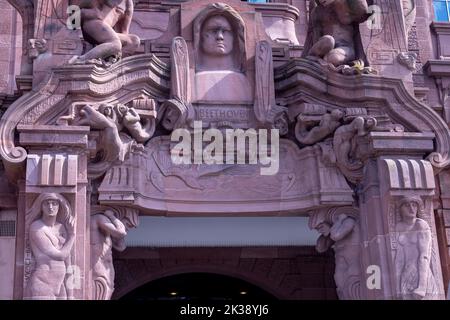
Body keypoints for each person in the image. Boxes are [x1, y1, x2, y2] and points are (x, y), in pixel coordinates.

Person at [192, 4, 252, 102]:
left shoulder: (244, 81)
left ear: (235, 37)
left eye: (226, 31)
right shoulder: (191, 82)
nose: (220, 37)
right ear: (200, 36)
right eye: (213, 31)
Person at [27, 193, 75, 300]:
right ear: (41, 206)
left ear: (60, 206)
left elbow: (69, 263)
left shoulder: (62, 227)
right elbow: (60, 256)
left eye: (54, 203)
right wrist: (72, 236)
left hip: (60, 286)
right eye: (46, 204)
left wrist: (71, 295)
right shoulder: (37, 227)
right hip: (43, 284)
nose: (50, 207)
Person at [303, 0, 371, 67]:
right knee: (328, 41)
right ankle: (315, 58)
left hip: (345, 48)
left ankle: (324, 60)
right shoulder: (317, 12)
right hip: (325, 44)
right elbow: (316, 37)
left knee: (333, 57)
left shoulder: (348, 6)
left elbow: (363, 11)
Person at [394, 196, 438, 299]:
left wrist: (422, 287)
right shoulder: (399, 227)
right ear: (400, 209)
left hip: (421, 274)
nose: (411, 208)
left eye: (414, 205)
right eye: (407, 205)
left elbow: (424, 256)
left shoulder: (421, 225)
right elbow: (399, 259)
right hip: (406, 274)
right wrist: (397, 286)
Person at [70, 0, 140, 64]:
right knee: (115, 44)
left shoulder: (128, 3)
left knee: (134, 40)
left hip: (107, 33)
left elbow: (124, 31)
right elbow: (77, 9)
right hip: (93, 23)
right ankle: (80, 60)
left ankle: (111, 64)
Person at [91, 210, 127, 300]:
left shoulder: (104, 232)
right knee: (102, 291)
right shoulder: (99, 218)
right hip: (99, 266)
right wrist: (112, 217)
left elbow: (121, 246)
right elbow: (121, 232)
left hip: (105, 266)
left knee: (107, 290)